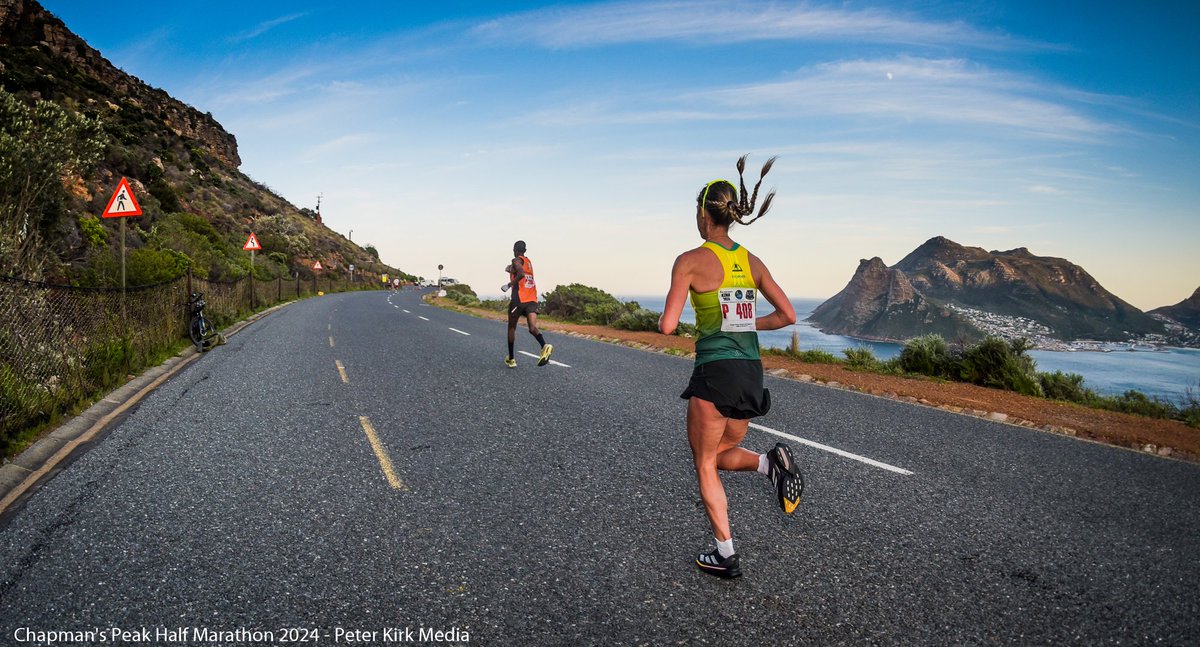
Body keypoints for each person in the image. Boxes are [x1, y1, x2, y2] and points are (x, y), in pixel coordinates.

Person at [659, 155, 804, 579]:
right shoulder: (752, 261)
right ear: (731, 216)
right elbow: (788, 316)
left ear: (705, 215)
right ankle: (768, 463)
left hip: (714, 371)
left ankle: (725, 554)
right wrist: (745, 321)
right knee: (722, 454)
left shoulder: (689, 260)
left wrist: (701, 319)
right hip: (750, 373)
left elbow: (667, 326)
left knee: (705, 462)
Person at [502, 240, 553, 368]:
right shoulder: (528, 262)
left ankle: (511, 359)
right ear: (525, 250)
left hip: (519, 300)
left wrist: (508, 285)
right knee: (532, 327)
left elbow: (520, 273)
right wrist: (510, 269)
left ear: (515, 249)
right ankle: (544, 345)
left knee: (511, 328)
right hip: (532, 300)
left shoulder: (516, 260)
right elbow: (517, 269)